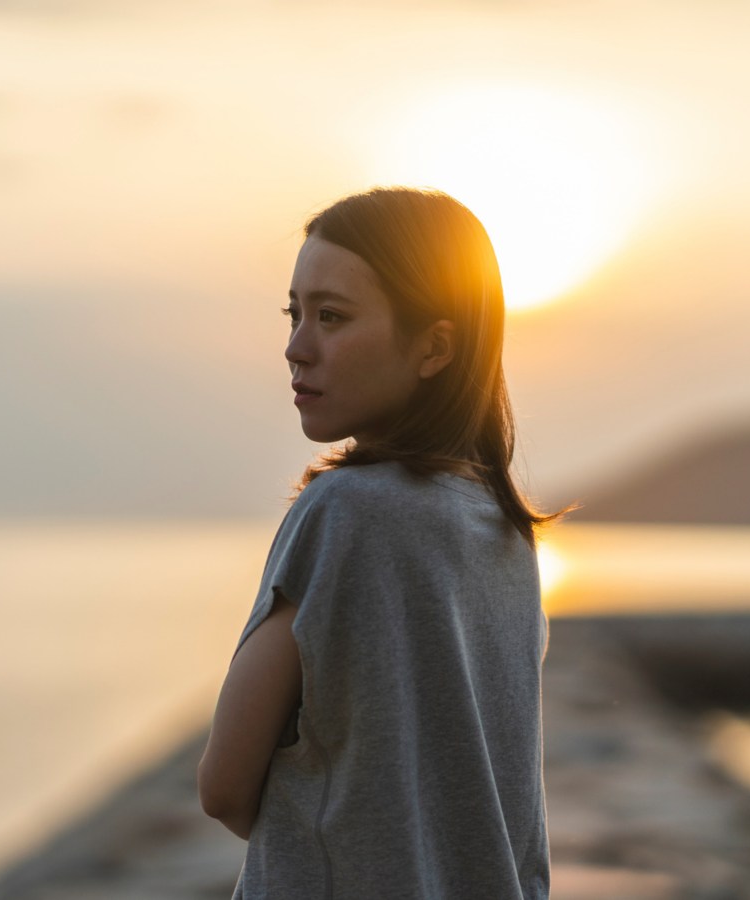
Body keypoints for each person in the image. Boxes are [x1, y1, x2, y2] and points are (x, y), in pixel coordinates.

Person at [198, 187, 556, 899]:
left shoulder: (348, 510)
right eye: (295, 313)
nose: (297, 348)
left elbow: (225, 784)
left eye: (332, 317)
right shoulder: (503, 532)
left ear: (435, 347)